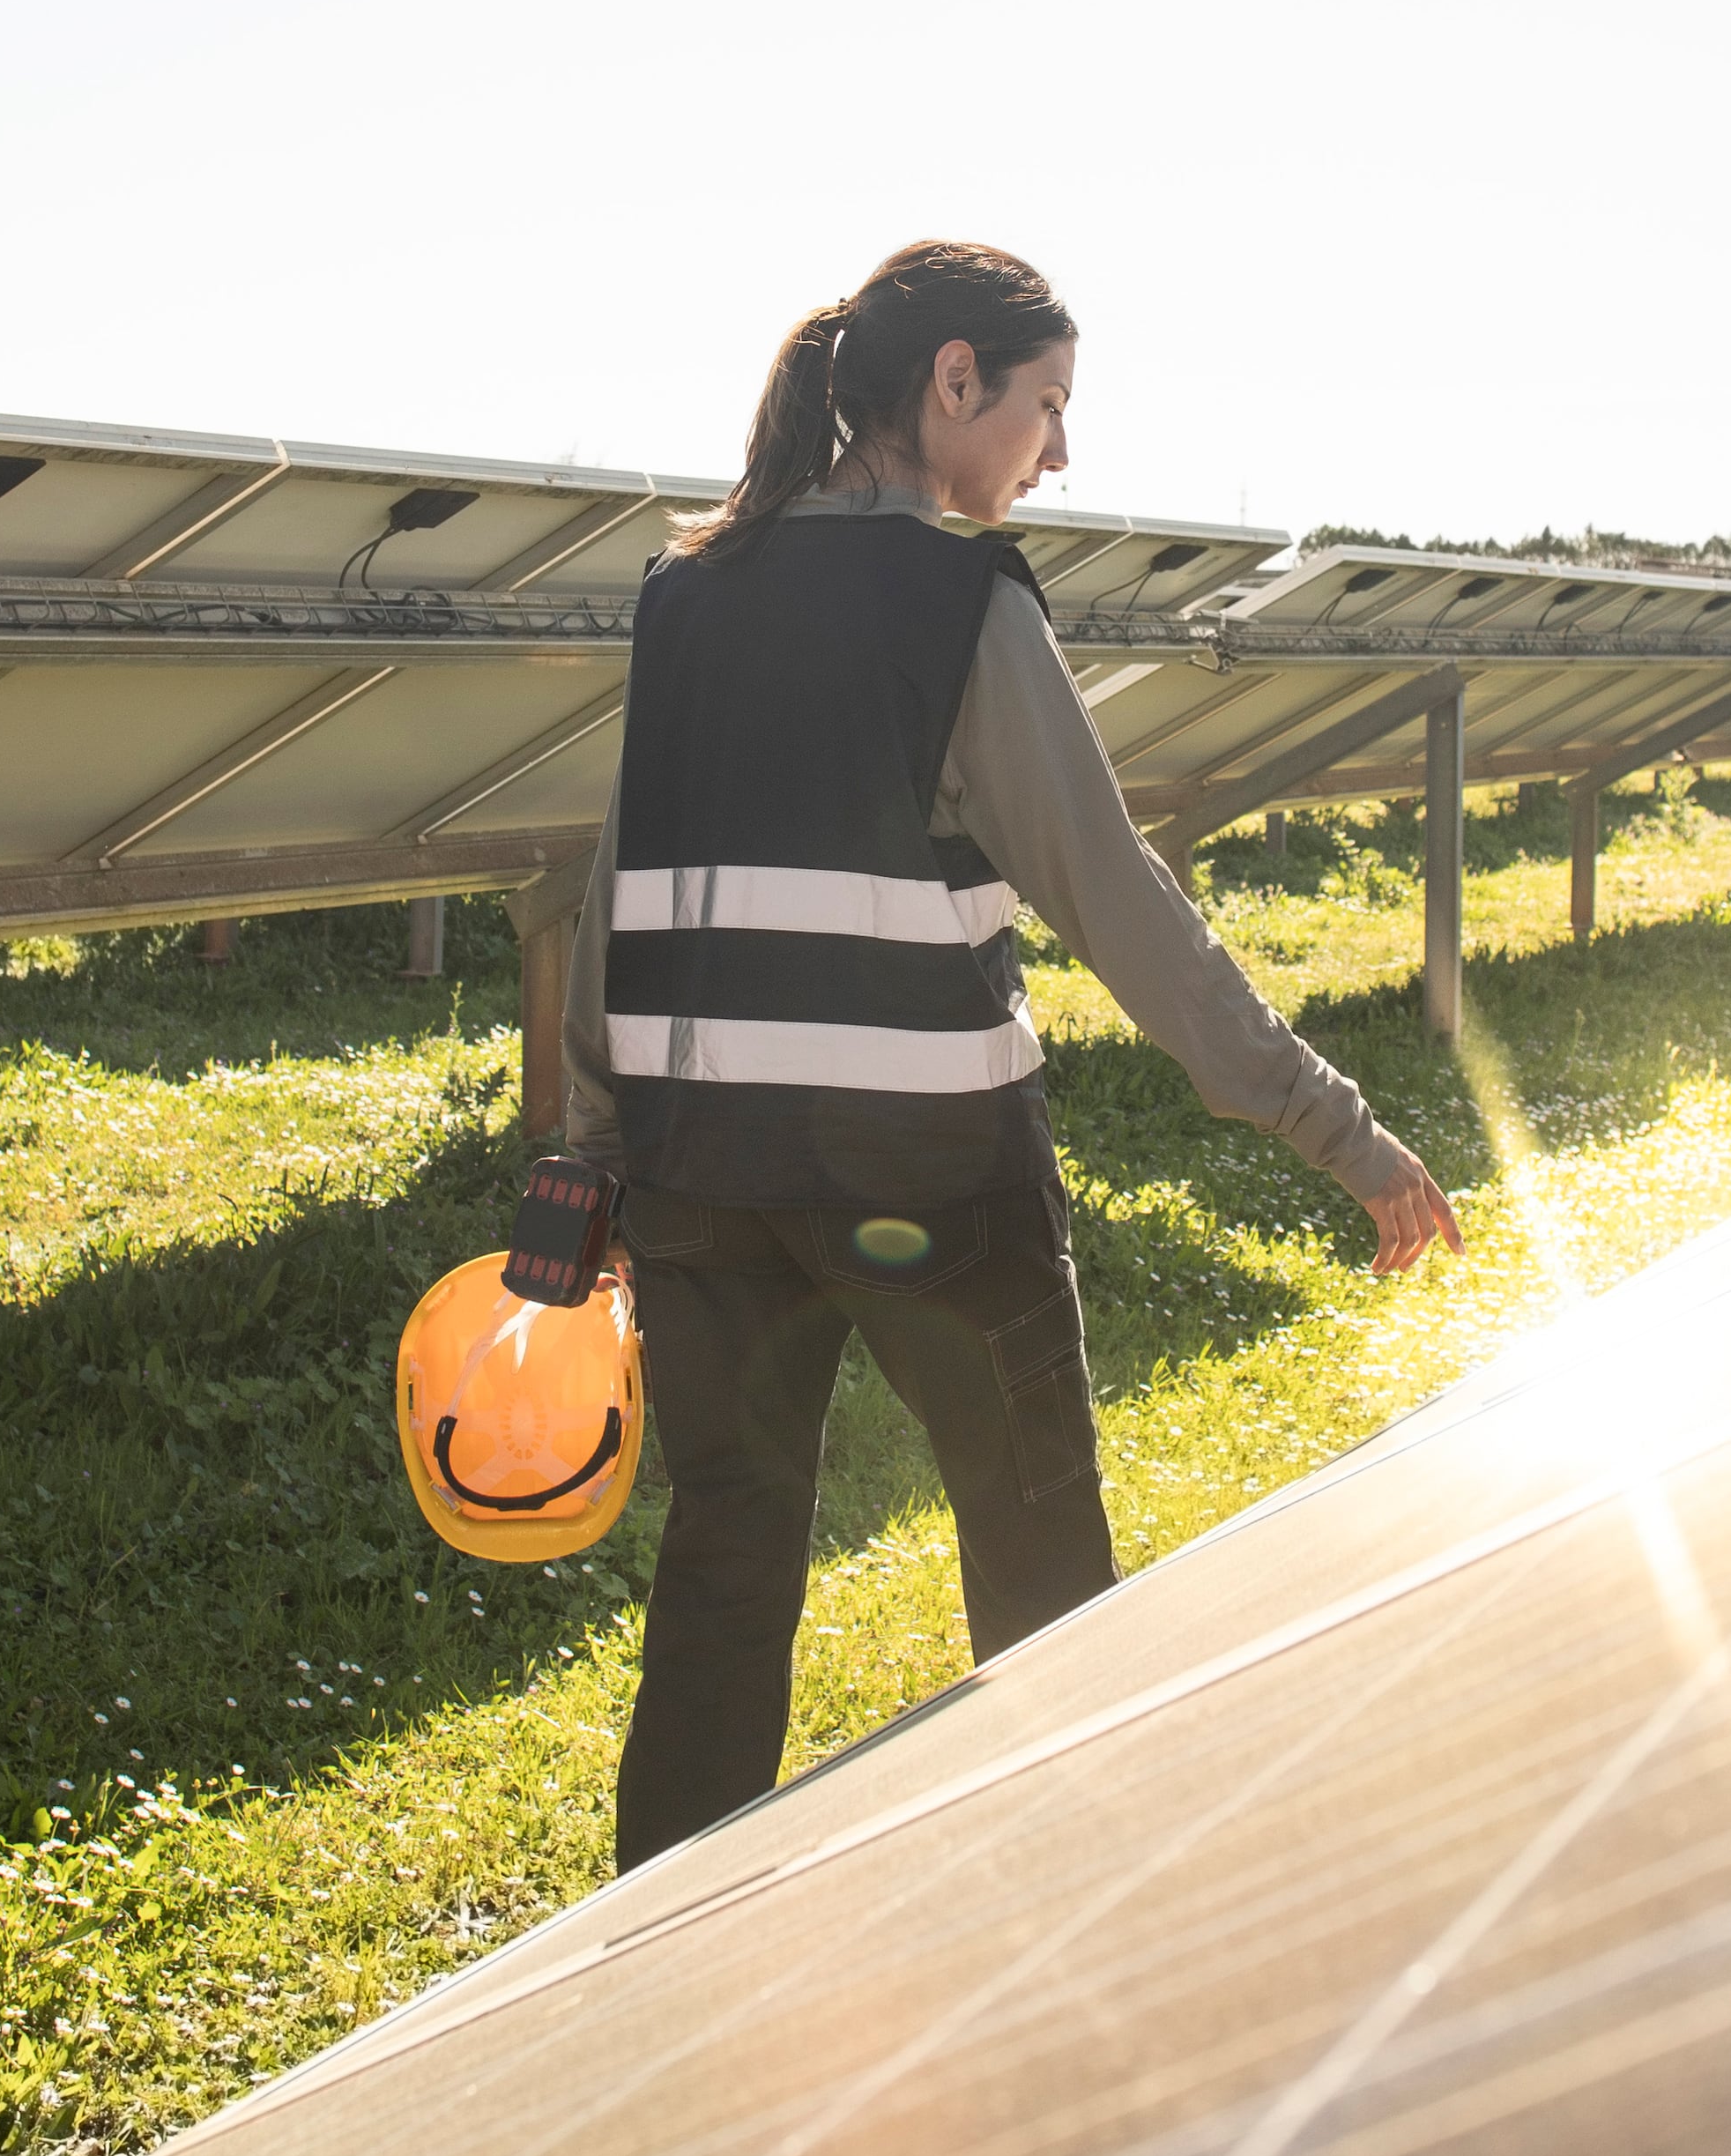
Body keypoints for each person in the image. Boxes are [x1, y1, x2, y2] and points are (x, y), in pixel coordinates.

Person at [561, 239, 1460, 1870]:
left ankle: (648, 1968)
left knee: (722, 1579)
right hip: (937, 1190)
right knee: (1042, 1574)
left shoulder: (685, 591)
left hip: (704, 1187)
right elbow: (1119, 904)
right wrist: (1337, 1127)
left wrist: (592, 1145)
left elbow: (620, 891)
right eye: (1047, 406)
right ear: (953, 379)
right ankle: (1079, 1921)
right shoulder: (959, 602)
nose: (1059, 454)